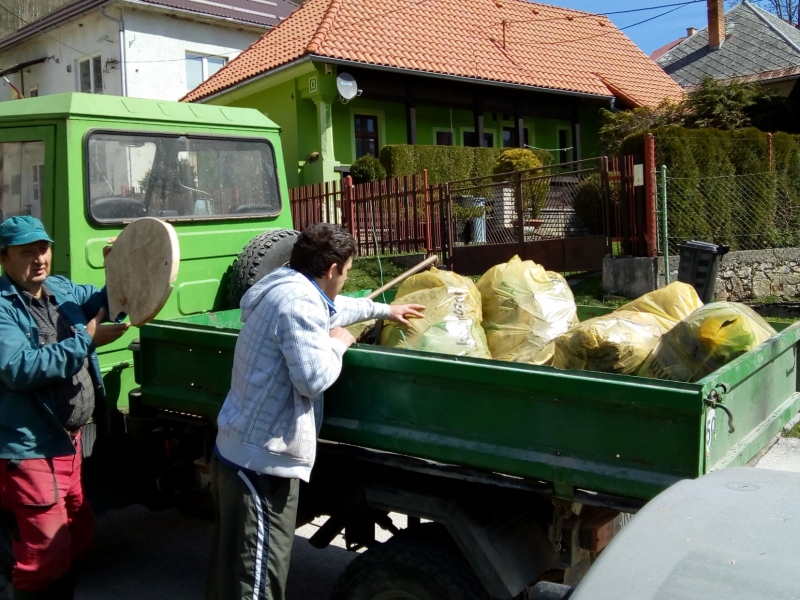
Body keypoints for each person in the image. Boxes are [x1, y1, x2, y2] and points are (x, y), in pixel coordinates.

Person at [206, 223, 425, 600]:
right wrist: (338, 345)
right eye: (347, 271)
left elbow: (334, 308)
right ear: (332, 270)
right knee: (256, 581)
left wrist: (386, 310)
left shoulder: (287, 286)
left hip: (238, 451)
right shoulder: (297, 304)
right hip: (261, 466)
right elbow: (312, 378)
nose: (347, 278)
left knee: (230, 573)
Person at [0, 216, 129, 599]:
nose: (39, 258)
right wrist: (85, 343)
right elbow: (17, 368)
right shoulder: (3, 307)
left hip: (67, 443)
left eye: (43, 248)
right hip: (30, 447)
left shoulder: (60, 289)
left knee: (75, 528)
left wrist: (119, 270)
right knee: (44, 554)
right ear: (4, 258)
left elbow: (105, 304)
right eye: (27, 252)